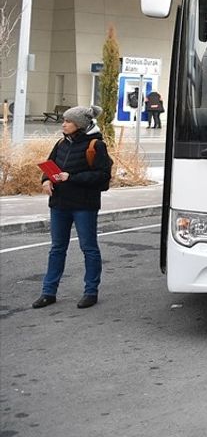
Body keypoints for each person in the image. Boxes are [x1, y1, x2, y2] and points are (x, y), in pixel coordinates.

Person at [31, 105, 112, 310]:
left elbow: (103, 178)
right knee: (57, 248)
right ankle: (48, 292)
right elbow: (50, 163)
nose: (63, 124)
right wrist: (45, 180)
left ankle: (90, 292)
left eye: (67, 121)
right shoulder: (61, 143)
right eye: (64, 120)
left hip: (84, 205)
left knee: (89, 248)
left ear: (80, 125)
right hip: (59, 204)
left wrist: (72, 177)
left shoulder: (96, 145)